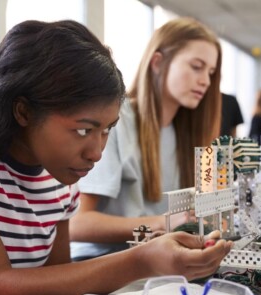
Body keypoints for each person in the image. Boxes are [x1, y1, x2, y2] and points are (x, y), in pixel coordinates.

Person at [0, 20, 232, 295]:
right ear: (23, 111)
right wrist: (142, 259)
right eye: (83, 130)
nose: (96, 152)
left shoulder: (59, 171)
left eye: (107, 130)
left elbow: (57, 281)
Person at [69, 17, 223, 261]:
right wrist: (165, 223)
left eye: (211, 72)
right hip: (103, 267)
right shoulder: (116, 122)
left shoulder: (184, 135)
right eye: (196, 66)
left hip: (156, 266)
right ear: (158, 63)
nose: (205, 80)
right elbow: (77, 224)